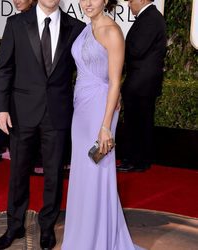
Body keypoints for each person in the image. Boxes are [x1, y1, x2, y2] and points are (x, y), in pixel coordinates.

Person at [0, 0, 85, 249]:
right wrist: (1, 108)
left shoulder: (76, 27)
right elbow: (4, 69)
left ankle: (47, 227)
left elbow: (84, 70)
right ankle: (14, 225)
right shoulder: (16, 24)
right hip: (21, 112)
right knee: (18, 173)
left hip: (57, 113)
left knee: (54, 174)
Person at [62, 0, 144, 249]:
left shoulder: (112, 31)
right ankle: (81, 236)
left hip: (100, 110)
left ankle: (97, 239)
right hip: (82, 109)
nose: (87, 3)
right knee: (82, 172)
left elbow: (115, 82)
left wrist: (106, 125)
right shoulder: (87, 27)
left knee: (97, 171)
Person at [117, 0, 167, 172]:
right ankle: (138, 160)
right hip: (141, 82)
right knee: (139, 122)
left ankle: (135, 161)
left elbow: (137, 49)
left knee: (138, 123)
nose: (129, 4)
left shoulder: (151, 17)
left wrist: (115, 47)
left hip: (142, 84)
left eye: (131, 0)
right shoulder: (149, 17)